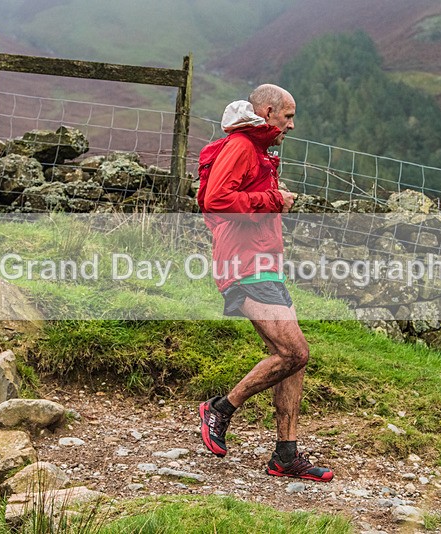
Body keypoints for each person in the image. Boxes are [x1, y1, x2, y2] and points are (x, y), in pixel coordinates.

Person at [196, 84, 334, 482]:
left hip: (264, 264)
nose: (292, 125)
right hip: (245, 266)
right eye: (288, 116)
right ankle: (221, 408)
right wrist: (274, 201)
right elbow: (216, 200)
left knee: (293, 359)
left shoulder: (258, 149)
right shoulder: (241, 145)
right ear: (269, 111)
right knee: (294, 351)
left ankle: (286, 455)